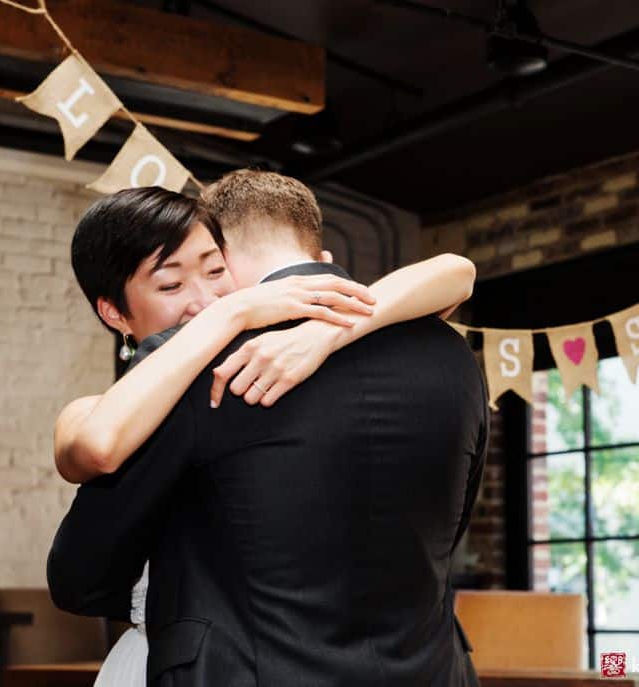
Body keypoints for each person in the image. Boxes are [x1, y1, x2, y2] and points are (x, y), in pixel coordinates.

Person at [52, 181, 479, 686]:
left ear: (225, 253)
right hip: (431, 672)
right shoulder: (452, 355)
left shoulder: (201, 360)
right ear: (320, 252)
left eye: (213, 271)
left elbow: (83, 576)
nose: (205, 299)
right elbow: (451, 523)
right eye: (174, 282)